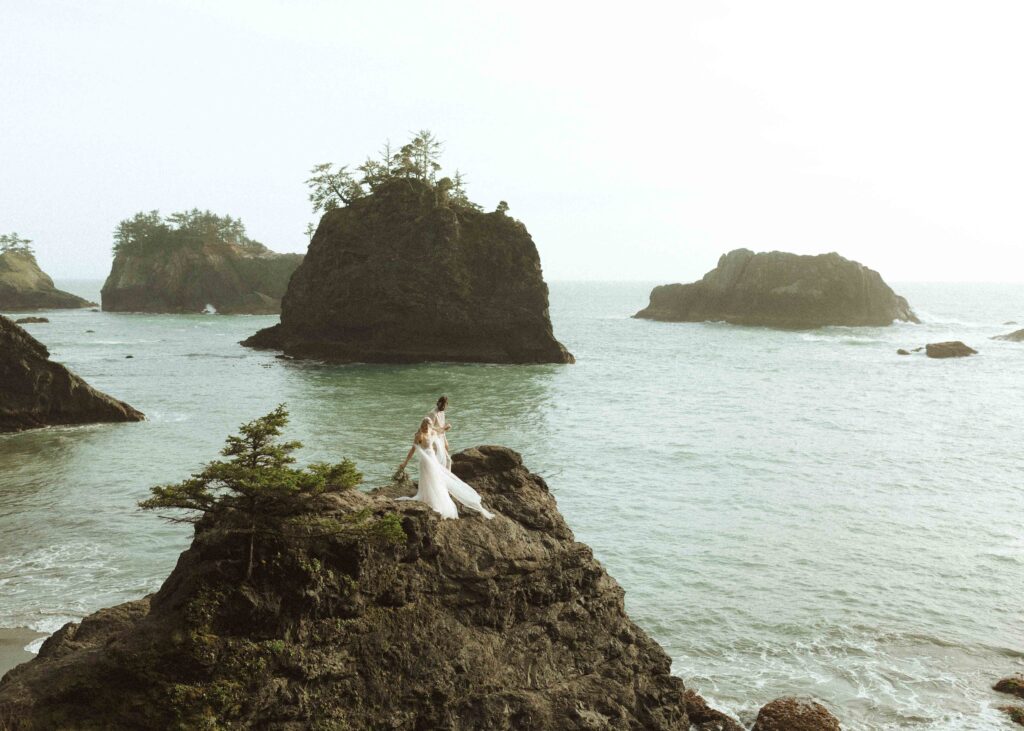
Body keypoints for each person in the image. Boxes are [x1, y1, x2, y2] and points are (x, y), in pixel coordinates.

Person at [396, 418, 494, 520]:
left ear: (430, 426)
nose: (426, 428)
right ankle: (427, 496)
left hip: (432, 458)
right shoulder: (419, 435)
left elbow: (440, 432)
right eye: (424, 426)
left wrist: (446, 428)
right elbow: (413, 450)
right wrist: (405, 463)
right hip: (425, 460)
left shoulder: (432, 431)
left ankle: (437, 499)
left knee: (435, 479)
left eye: (428, 426)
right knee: (426, 479)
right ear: (422, 425)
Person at [425, 395, 452, 469]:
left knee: (448, 460)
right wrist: (443, 428)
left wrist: (445, 441)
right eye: (443, 405)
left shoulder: (442, 412)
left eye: (445, 406)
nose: (444, 408)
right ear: (439, 403)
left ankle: (445, 479)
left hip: (441, 438)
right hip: (435, 441)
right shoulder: (432, 413)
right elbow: (429, 429)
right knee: (441, 461)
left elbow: (442, 428)